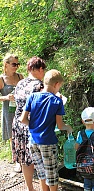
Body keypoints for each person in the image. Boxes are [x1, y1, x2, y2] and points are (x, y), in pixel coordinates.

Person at [20, 69, 73, 191]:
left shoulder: (32, 96)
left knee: (41, 173)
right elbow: (60, 126)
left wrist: (35, 126)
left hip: (32, 141)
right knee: (52, 175)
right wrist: (68, 128)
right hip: (48, 142)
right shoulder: (57, 101)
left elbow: (23, 119)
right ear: (57, 84)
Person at [12, 56, 46, 191]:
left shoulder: (20, 83)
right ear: (40, 69)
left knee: (25, 160)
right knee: (39, 159)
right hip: (32, 125)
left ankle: (29, 187)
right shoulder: (40, 85)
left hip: (18, 123)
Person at [0, 53, 24, 171]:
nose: (16, 67)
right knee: (12, 135)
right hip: (8, 110)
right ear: (6, 64)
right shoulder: (1, 79)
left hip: (21, 109)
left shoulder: (20, 76)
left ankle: (25, 157)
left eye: (17, 64)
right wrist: (6, 97)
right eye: (14, 64)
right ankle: (17, 161)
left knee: (23, 133)